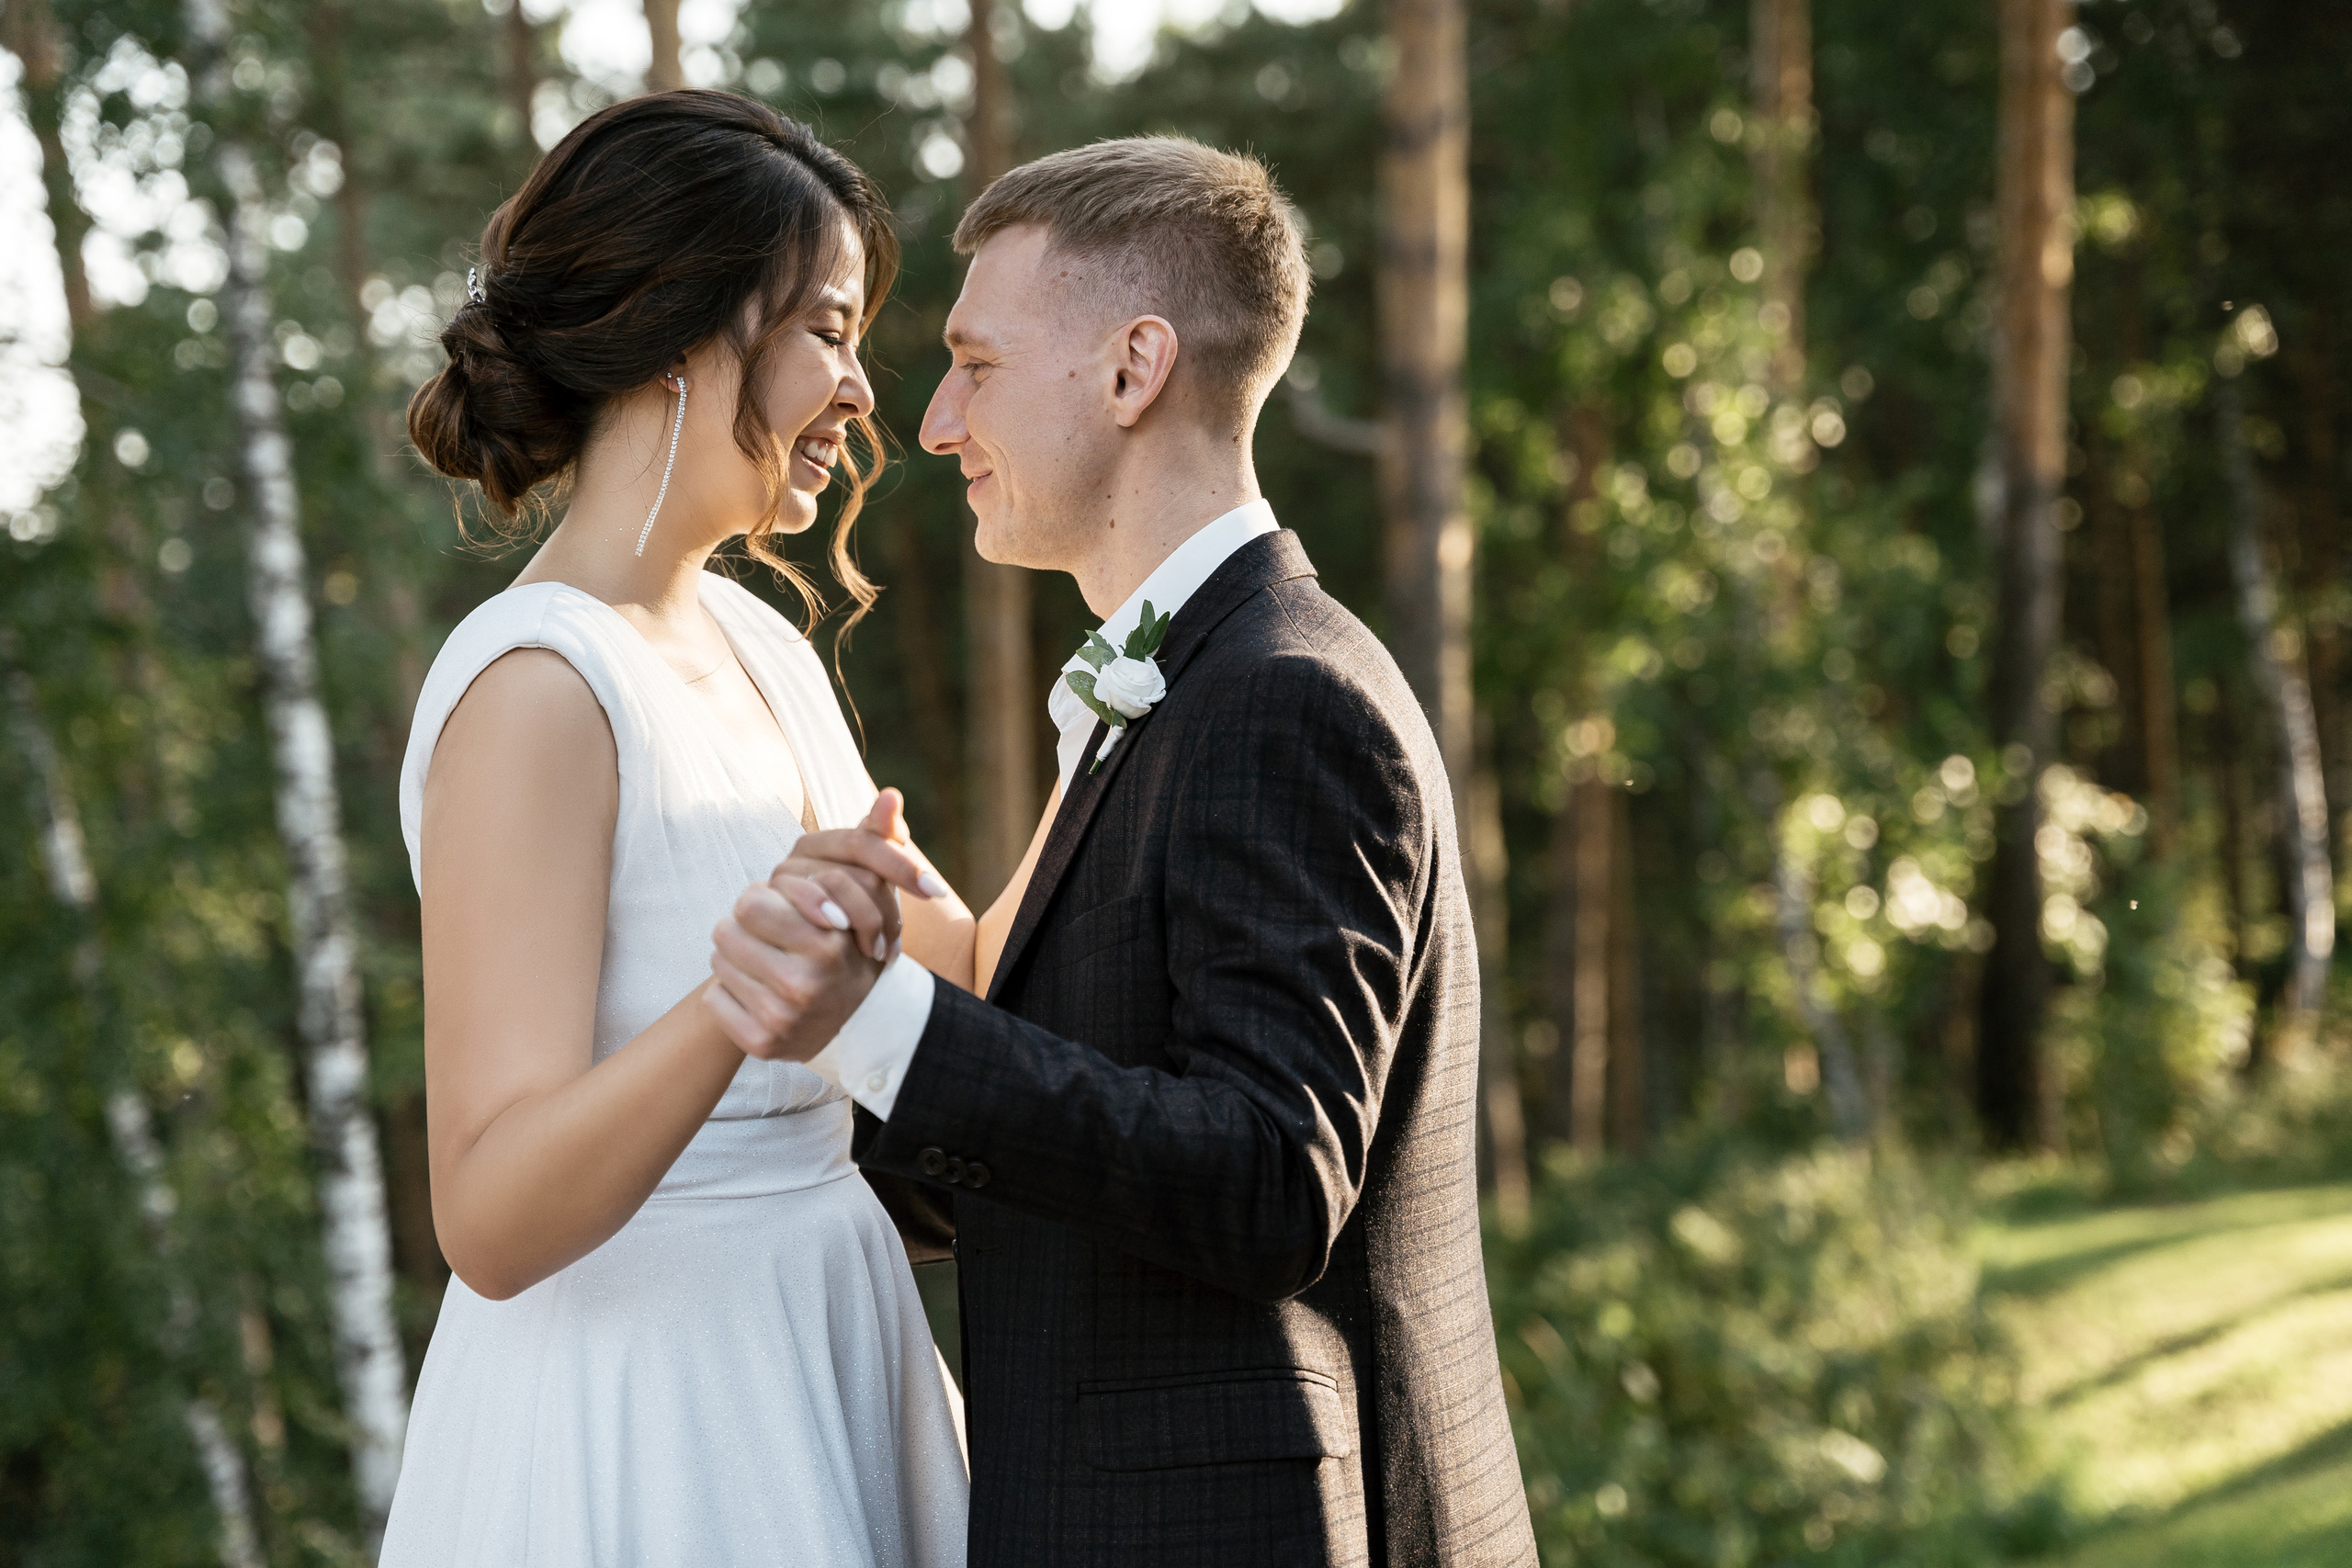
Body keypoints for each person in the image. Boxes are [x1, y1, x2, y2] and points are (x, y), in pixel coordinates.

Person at [724, 137, 1538, 1567]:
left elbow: (1271, 1180)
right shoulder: (1187, 685)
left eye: (976, 364)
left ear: (1132, 369)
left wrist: (892, 1024)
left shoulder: (1284, 698)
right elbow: (1083, 1178)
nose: (936, 424)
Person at [379, 90, 968, 1565]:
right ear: (680, 335)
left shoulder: (759, 641)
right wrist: (735, 1001)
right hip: (651, 1416)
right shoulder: (536, 692)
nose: (860, 391)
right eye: (828, 331)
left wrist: (1136, 727)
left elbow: (963, 969)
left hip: (832, 1335)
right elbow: (491, 1215)